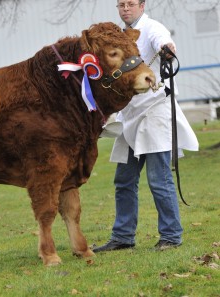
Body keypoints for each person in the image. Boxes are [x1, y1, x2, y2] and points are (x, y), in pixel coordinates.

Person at [93, 0, 199, 253]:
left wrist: (166, 48)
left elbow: (164, 40)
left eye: (130, 4)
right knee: (124, 180)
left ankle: (171, 236)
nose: (125, 9)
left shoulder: (152, 28)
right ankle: (123, 237)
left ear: (141, 6)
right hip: (130, 115)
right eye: (121, 5)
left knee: (159, 179)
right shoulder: (121, 35)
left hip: (154, 113)